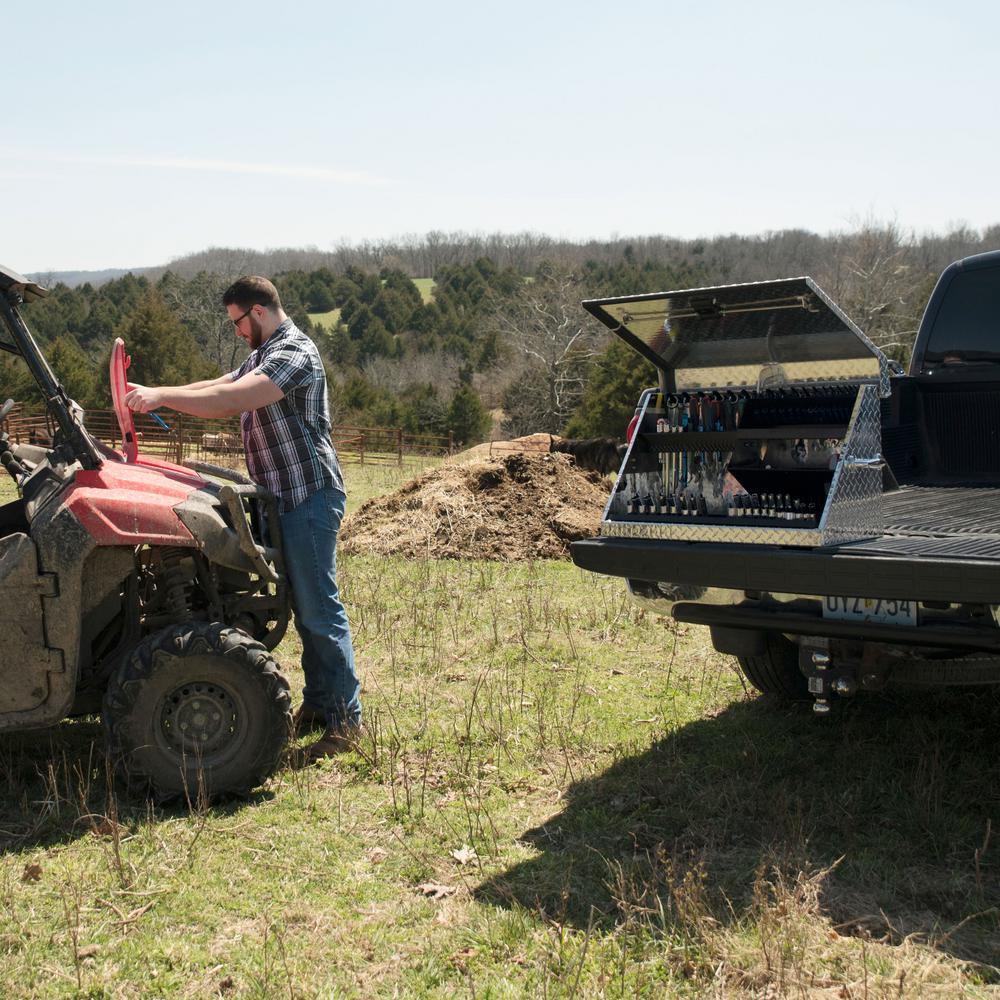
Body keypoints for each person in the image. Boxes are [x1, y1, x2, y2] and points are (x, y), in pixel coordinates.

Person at [124, 276, 361, 760]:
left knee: (320, 609)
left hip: (309, 496)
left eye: (237, 322)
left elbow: (233, 399)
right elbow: (219, 384)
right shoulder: (263, 352)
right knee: (305, 608)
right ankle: (320, 704)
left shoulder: (294, 352)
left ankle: (345, 722)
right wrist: (154, 391)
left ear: (258, 312)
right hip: (284, 498)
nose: (235, 331)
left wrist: (161, 397)